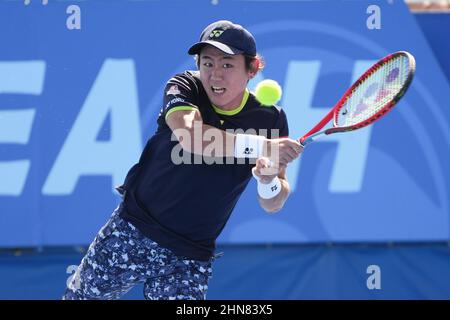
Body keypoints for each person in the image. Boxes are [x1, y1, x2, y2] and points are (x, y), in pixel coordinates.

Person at [63, 20, 303, 300]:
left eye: (227, 65)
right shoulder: (185, 86)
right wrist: (262, 146)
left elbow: (273, 203)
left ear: (252, 69)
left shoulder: (271, 118)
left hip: (189, 256)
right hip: (131, 232)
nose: (215, 75)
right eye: (207, 63)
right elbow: (192, 137)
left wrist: (268, 179)